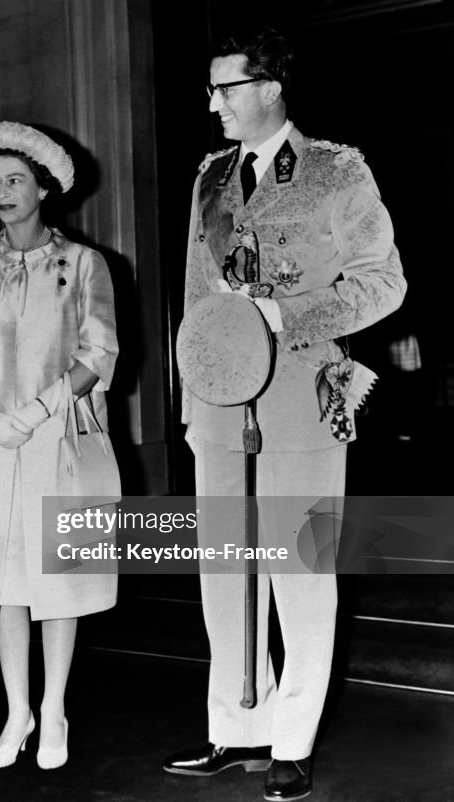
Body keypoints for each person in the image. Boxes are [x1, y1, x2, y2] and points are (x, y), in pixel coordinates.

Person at [165, 29, 406, 802]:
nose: (214, 104)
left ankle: (293, 742)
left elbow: (383, 284)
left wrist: (282, 315)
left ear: (269, 87)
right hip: (218, 402)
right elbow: (195, 304)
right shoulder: (210, 178)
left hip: (301, 397)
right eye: (211, 90)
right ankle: (239, 728)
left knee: (300, 569)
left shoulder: (337, 171)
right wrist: (188, 395)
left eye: (226, 88)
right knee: (222, 570)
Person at [0, 122, 119, 770]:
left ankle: (55, 708)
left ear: (44, 187)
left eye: (15, 180)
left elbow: (99, 350)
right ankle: (18, 711)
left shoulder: (84, 264)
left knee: (58, 579)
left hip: (57, 437)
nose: (2, 191)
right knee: (6, 583)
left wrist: (38, 409)